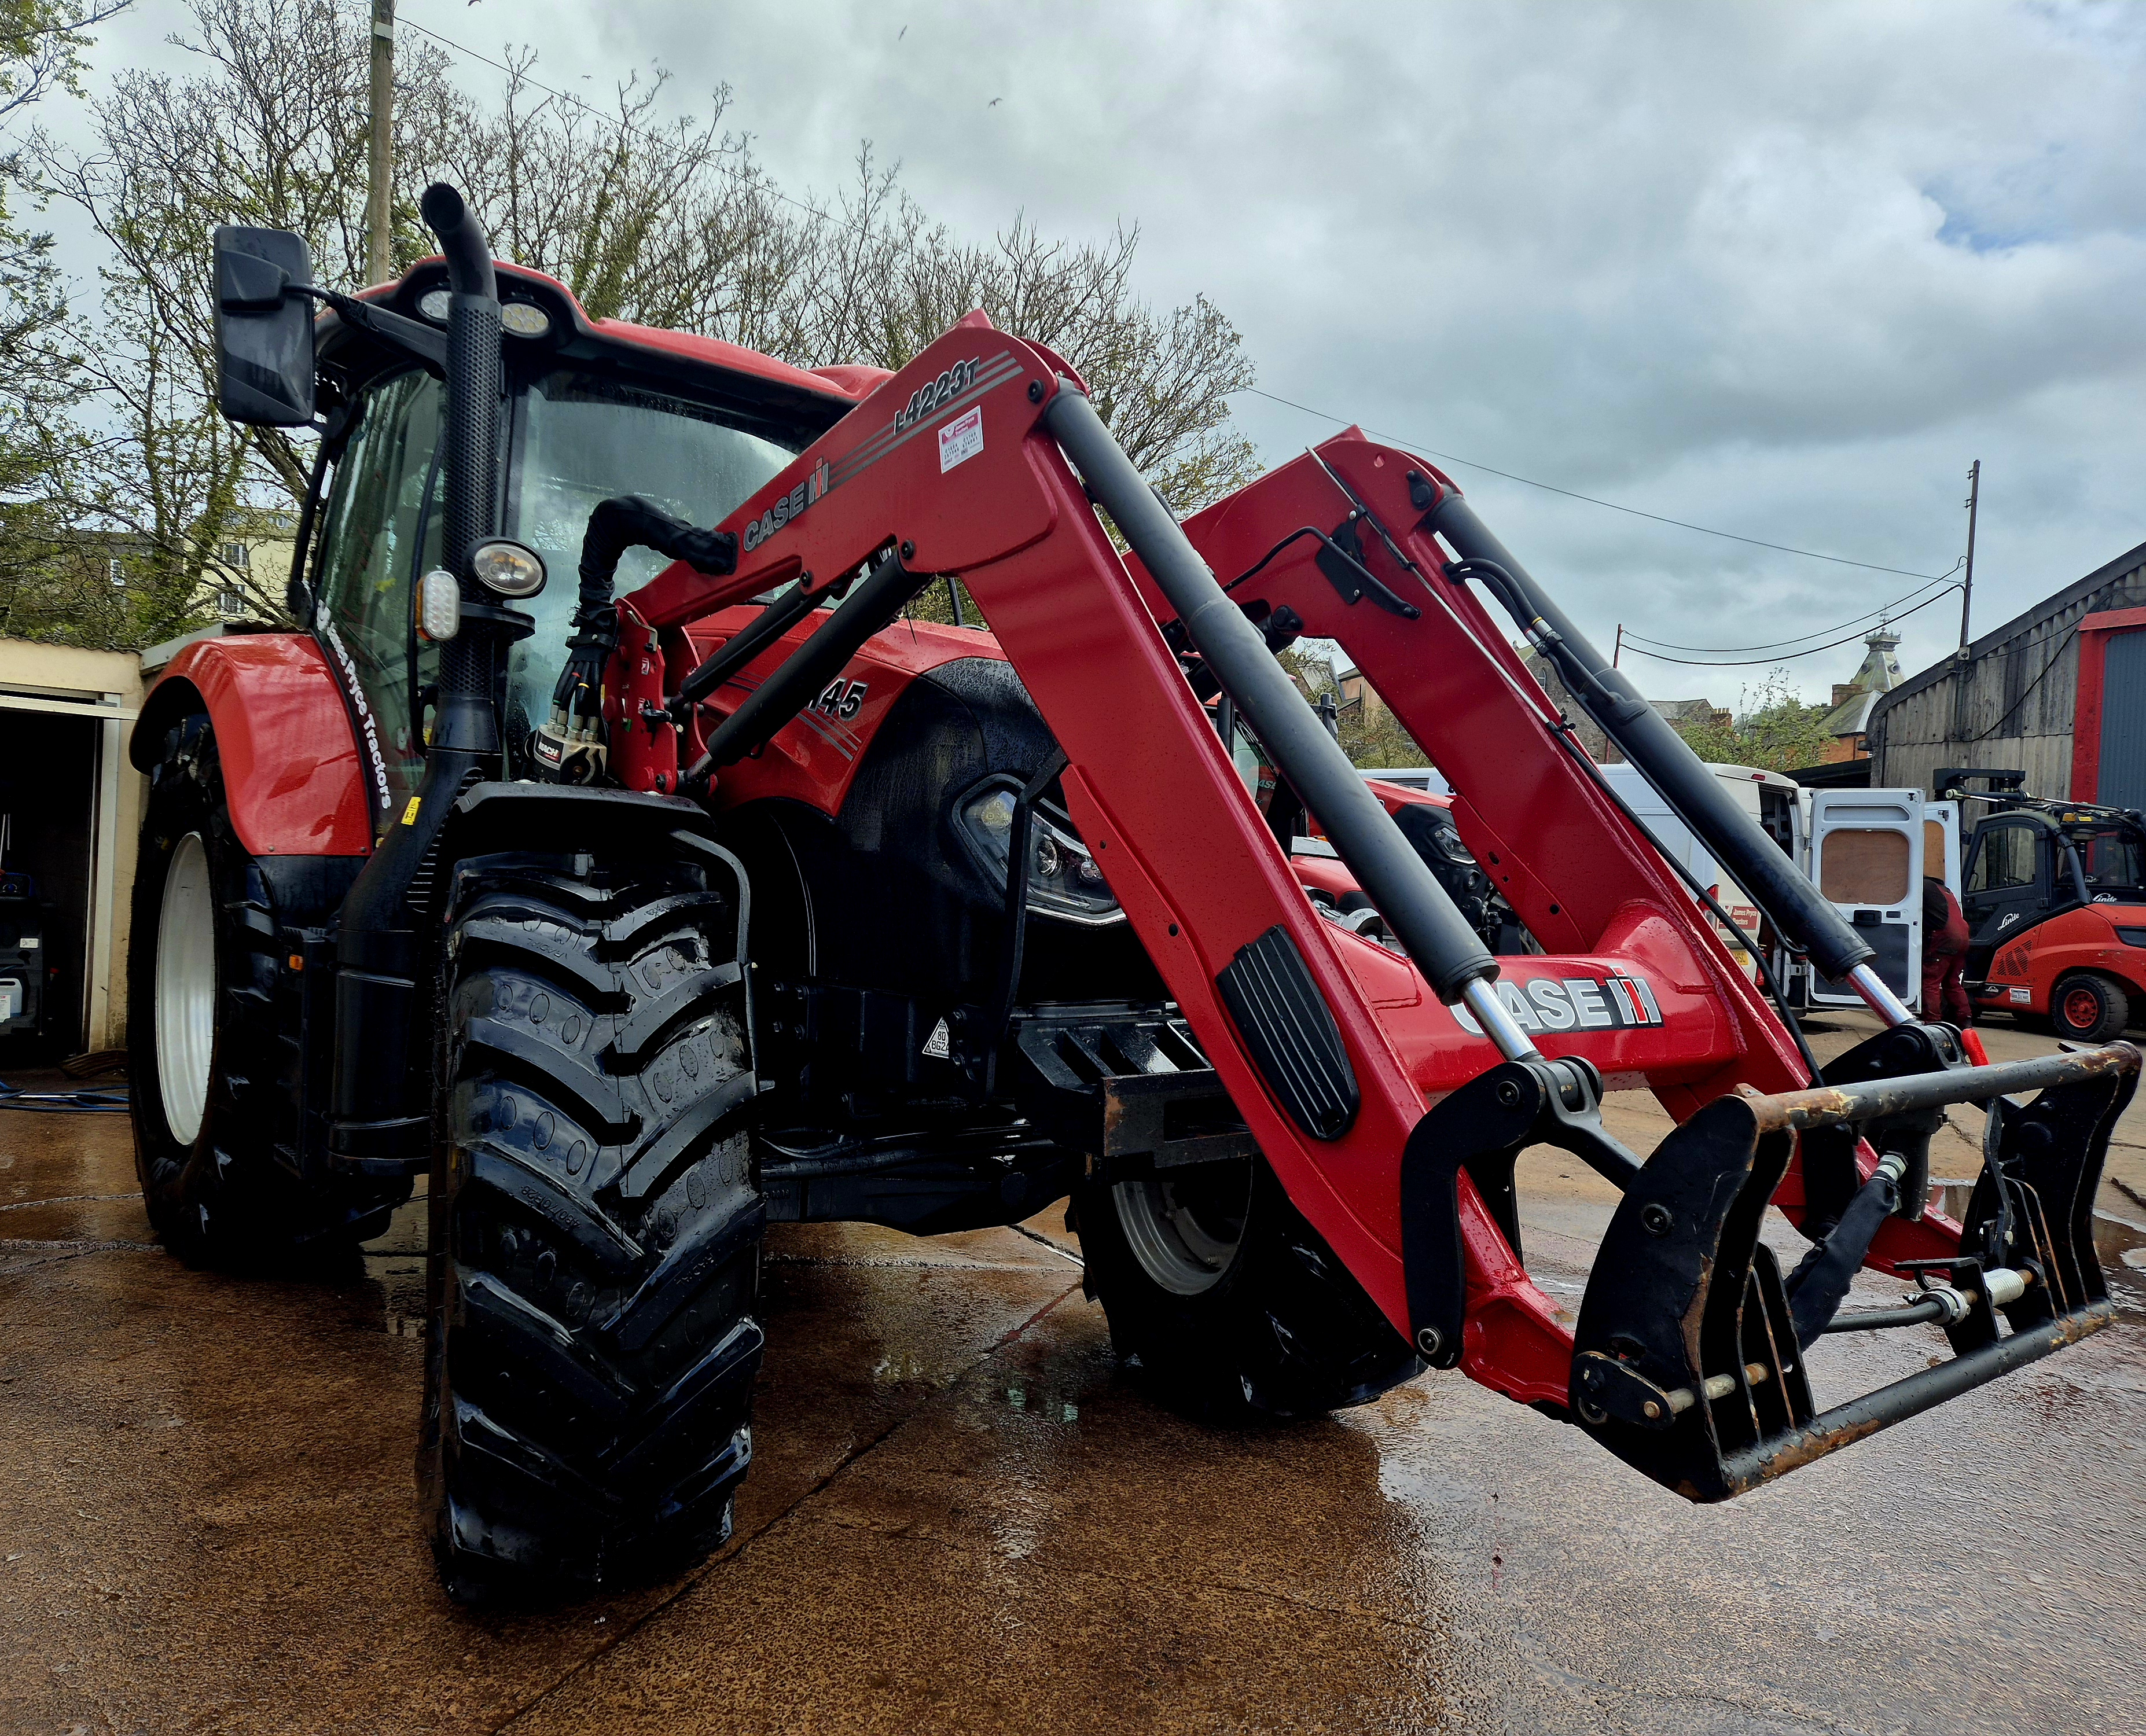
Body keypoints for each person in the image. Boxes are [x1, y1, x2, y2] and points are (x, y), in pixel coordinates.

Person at [1921, 876, 1973, 1026]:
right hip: (1963, 937)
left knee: (1930, 980)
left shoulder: (1922, 887)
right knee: (1952, 982)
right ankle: (1966, 1020)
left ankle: (1932, 1022)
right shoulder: (1945, 890)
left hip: (1945, 937)